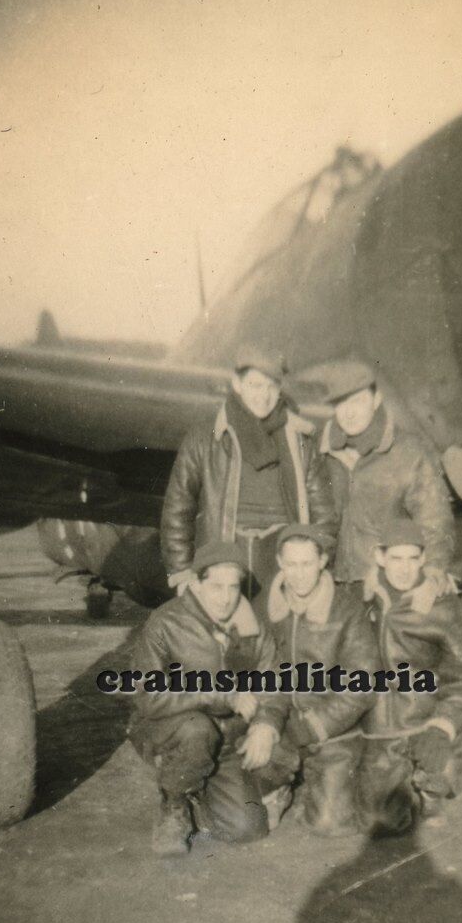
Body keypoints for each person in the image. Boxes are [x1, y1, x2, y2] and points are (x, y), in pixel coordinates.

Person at [126, 543, 287, 856]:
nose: (226, 598)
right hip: (171, 729)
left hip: (227, 739)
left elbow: (274, 684)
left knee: (247, 829)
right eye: (216, 586)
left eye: (233, 587)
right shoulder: (166, 623)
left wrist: (266, 724)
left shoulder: (253, 626)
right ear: (196, 584)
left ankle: (198, 793)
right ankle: (174, 804)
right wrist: (219, 694)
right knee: (196, 729)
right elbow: (148, 696)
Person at [160, 345, 337, 601]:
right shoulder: (205, 437)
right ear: (237, 383)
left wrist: (316, 569)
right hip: (224, 562)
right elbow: (178, 507)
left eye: (271, 387)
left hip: (282, 564)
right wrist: (181, 571)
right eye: (255, 385)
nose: (263, 396)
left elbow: (323, 514)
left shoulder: (301, 441)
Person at [357, 520, 462, 837]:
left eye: (412, 558)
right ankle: (406, 780)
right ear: (380, 557)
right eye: (396, 558)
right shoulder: (363, 600)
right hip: (383, 726)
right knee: (379, 822)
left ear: (423, 559)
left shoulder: (444, 607)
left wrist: (444, 726)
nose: (404, 569)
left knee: (445, 769)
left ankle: (432, 783)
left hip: (426, 719)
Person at [253, 522, 379, 836]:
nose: (299, 574)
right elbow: (254, 671)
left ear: (322, 561)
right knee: (248, 800)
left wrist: (314, 726)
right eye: (291, 564)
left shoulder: (347, 609)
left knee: (328, 824)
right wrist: (265, 722)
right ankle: (281, 784)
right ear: (279, 563)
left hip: (333, 728)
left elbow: (362, 685)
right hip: (281, 719)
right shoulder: (264, 606)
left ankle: (332, 777)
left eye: (307, 563)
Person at [317, 359, 455, 613]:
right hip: (336, 587)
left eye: (357, 401)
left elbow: (434, 518)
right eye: (341, 403)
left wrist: (433, 571)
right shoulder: (321, 452)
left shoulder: (408, 451)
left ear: (376, 399)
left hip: (390, 585)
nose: (349, 412)